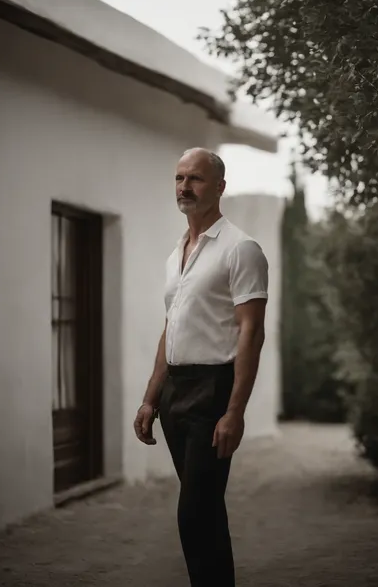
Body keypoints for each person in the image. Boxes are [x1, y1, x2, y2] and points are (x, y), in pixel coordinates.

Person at [133, 147, 268, 587]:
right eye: (179, 178)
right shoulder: (178, 254)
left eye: (196, 179)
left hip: (213, 390)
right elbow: (171, 327)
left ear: (220, 187)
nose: (184, 187)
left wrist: (235, 411)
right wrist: (151, 398)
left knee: (194, 513)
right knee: (206, 511)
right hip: (176, 390)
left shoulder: (241, 249)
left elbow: (251, 332)